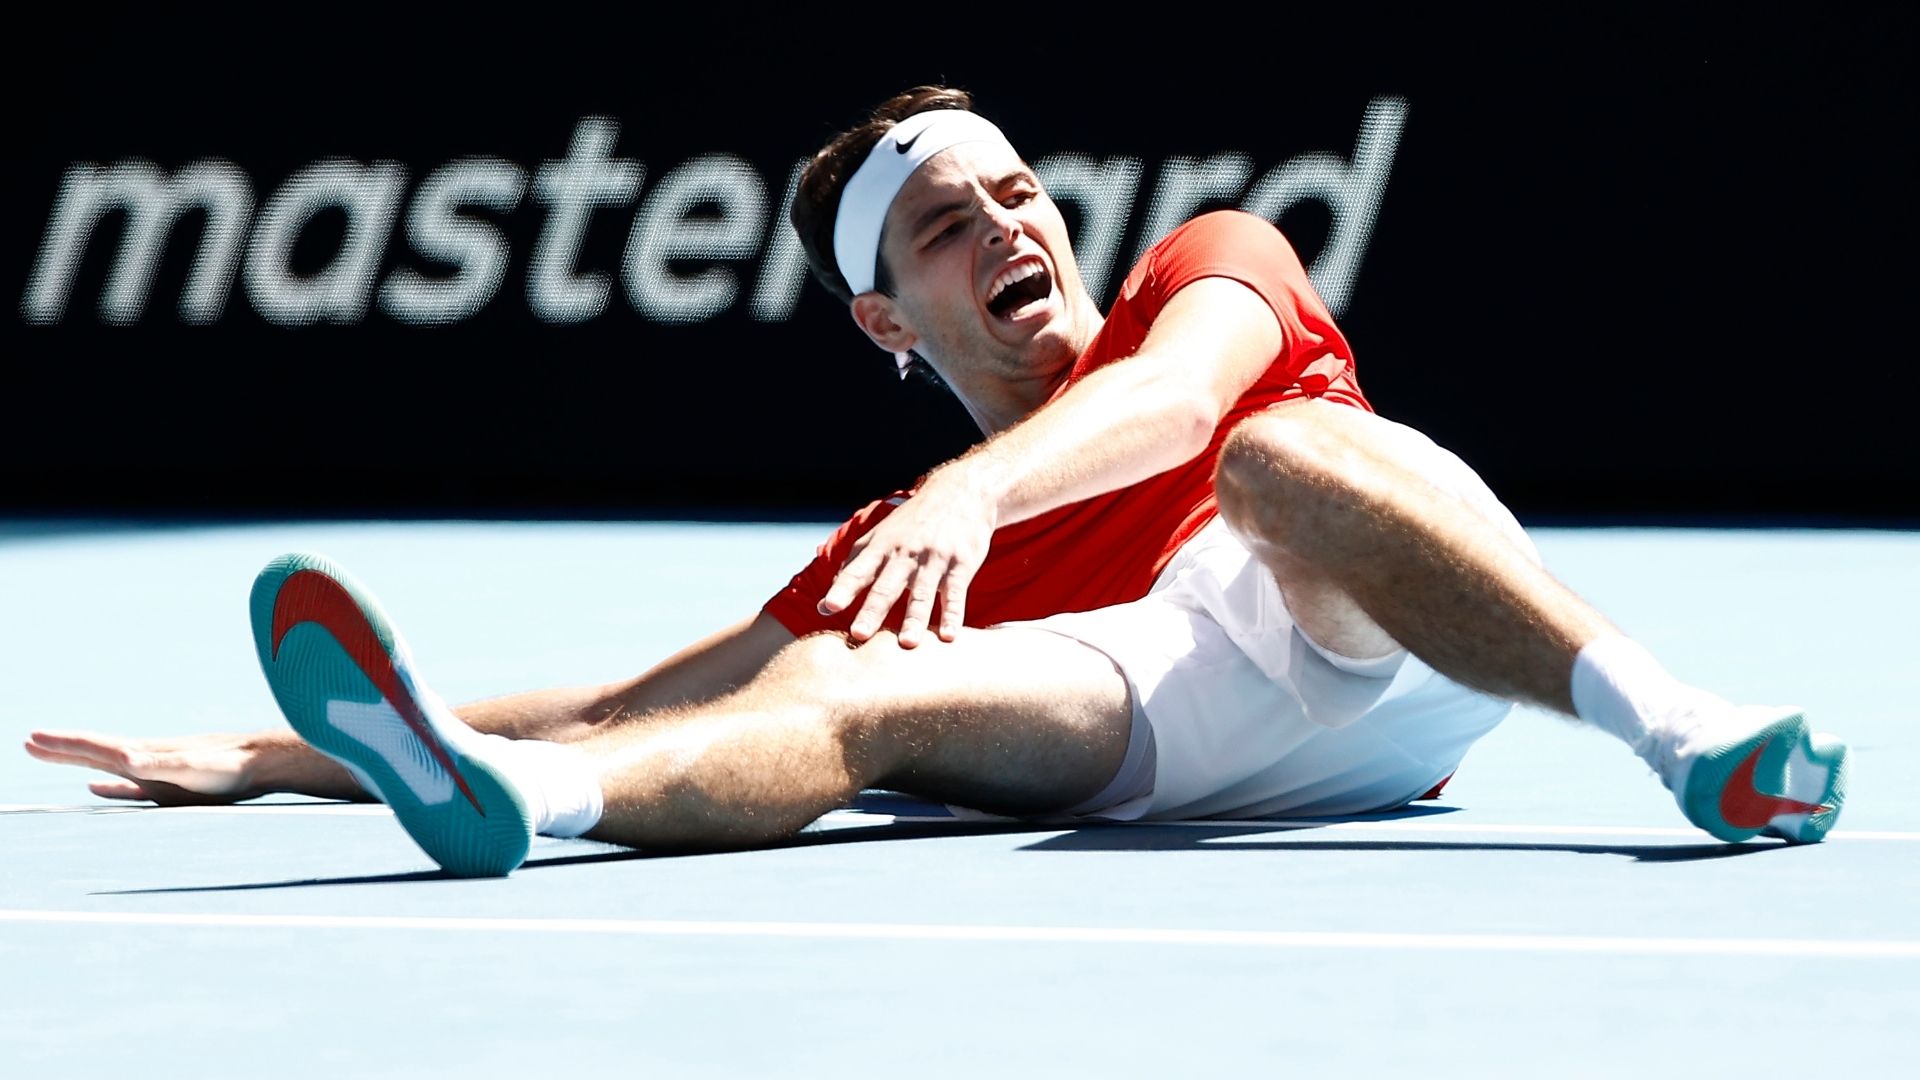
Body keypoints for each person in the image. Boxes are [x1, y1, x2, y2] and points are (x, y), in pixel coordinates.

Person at [25, 86, 1847, 877]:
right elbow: (665, 686)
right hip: (1187, 720)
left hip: (1392, 620)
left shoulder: (1211, 265)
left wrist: (975, 502)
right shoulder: (899, 553)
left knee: (1285, 459)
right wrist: (298, 751)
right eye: (943, 224)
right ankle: (517, 817)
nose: (1006, 223)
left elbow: (1180, 412)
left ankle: (1690, 738)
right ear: (883, 318)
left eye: (1017, 192)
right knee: (838, 693)